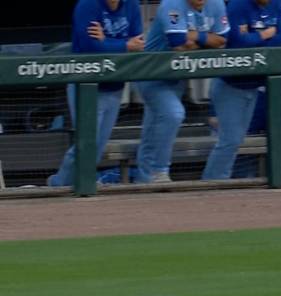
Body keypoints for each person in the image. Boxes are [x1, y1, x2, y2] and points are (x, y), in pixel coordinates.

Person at [47, 0, 144, 187]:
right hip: (86, 86)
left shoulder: (131, 5)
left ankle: (66, 184)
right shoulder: (88, 5)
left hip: (115, 86)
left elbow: (138, 45)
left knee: (97, 147)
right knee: (87, 143)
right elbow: (90, 47)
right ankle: (60, 184)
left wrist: (107, 42)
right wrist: (124, 45)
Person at [135, 0, 228, 183]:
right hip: (151, 72)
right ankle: (159, 172)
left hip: (176, 77)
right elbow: (177, 43)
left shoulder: (216, 4)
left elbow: (223, 40)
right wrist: (206, 39)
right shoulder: (171, 4)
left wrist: (194, 36)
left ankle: (144, 179)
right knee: (173, 114)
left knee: (153, 128)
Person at [202, 0, 281, 180]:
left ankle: (216, 181)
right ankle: (213, 182)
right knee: (230, 140)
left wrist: (255, 38)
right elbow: (238, 42)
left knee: (235, 141)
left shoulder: (277, 4)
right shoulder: (238, 5)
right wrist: (265, 35)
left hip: (253, 86)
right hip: (230, 85)